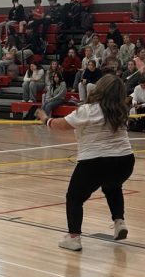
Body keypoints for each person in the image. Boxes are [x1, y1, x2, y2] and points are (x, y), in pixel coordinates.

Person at [44, 74, 134, 252]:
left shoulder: (88, 110)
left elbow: (62, 125)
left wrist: (46, 120)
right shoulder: (122, 109)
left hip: (95, 160)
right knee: (112, 187)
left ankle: (74, 238)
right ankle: (119, 221)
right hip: (125, 160)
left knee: (74, 198)